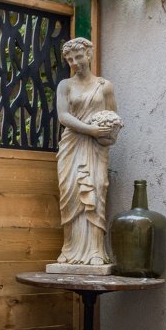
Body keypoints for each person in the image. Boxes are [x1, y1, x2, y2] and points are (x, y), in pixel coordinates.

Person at [52, 36, 121, 271]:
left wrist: (108, 135)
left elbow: (114, 119)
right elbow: (64, 117)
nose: (75, 62)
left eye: (78, 57)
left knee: (96, 189)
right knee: (71, 195)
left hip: (95, 149)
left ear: (89, 55)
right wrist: (90, 129)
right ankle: (69, 249)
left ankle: (95, 251)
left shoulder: (105, 87)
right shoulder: (65, 85)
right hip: (72, 145)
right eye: (70, 59)